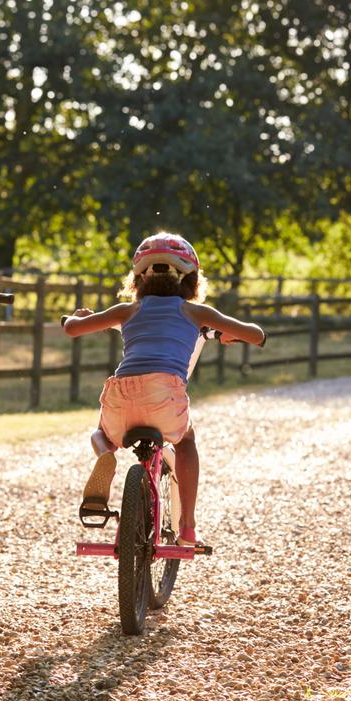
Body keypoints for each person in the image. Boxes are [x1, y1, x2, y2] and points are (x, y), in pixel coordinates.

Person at [62, 233, 265, 546]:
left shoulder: (125, 311)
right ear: (191, 280)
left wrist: (76, 318)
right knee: (186, 441)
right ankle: (187, 528)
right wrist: (225, 331)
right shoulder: (197, 312)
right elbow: (255, 334)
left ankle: (106, 456)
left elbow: (72, 329)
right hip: (164, 396)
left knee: (101, 433)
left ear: (138, 279)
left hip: (121, 396)